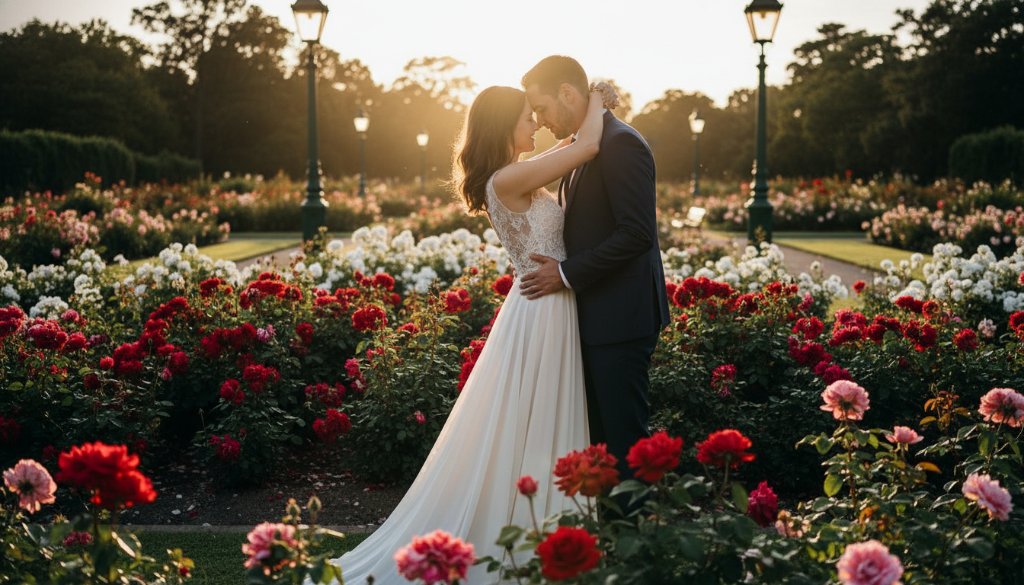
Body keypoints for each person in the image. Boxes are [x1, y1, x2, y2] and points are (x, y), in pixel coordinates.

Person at [330, 83, 615, 584]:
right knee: (538, 420)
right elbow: (586, 146)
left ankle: (551, 534)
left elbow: (567, 150)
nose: (535, 124)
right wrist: (598, 102)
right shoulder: (507, 179)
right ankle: (538, 538)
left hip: (547, 304)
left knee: (536, 422)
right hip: (543, 310)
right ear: (504, 125)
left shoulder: (510, 174)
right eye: (528, 116)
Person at [519, 56, 670, 483]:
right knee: (602, 444)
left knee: (625, 444)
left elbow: (636, 233)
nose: (541, 120)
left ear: (568, 94)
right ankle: (612, 538)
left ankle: (637, 538)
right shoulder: (585, 141)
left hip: (620, 318)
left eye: (542, 108)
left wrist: (564, 274)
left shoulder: (621, 143)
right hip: (595, 316)